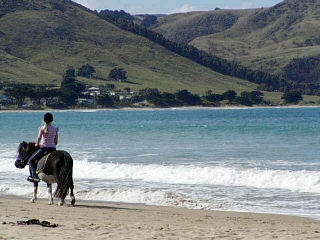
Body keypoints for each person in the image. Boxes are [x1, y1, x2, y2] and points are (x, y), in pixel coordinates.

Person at [27, 112, 59, 183]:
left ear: (44, 120)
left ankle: (34, 177)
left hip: (44, 149)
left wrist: (37, 144)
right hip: (53, 149)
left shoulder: (41, 129)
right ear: (52, 120)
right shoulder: (55, 129)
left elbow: (38, 138)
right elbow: (56, 142)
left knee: (31, 160)